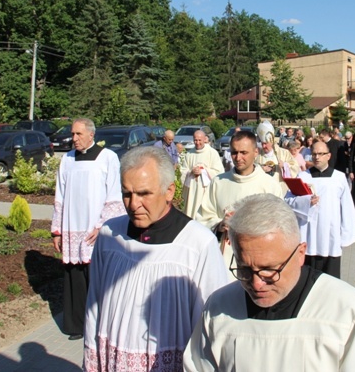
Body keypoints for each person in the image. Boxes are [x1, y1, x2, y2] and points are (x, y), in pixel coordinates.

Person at [183, 194, 355, 372]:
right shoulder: (219, 307)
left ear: (300, 254)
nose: (257, 284)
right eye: (245, 270)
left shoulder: (347, 310)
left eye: (269, 270)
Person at [83, 147, 228, 371]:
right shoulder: (109, 234)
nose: (133, 204)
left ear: (169, 191)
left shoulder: (198, 243)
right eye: (127, 193)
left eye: (144, 194)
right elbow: (94, 303)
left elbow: (211, 321)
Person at [51, 118, 126, 340]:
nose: (73, 138)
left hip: (97, 229)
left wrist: (102, 225)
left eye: (78, 134)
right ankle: (76, 325)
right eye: (72, 134)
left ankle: (101, 325)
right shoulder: (67, 159)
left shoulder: (108, 158)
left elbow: (114, 195)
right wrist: (57, 230)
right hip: (72, 227)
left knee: (98, 280)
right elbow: (60, 196)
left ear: (91, 135)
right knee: (74, 278)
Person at [196, 131, 282, 276]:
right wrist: (219, 225)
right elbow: (203, 217)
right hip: (223, 257)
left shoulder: (269, 186)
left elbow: (279, 224)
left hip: (258, 259)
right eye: (234, 152)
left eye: (244, 152)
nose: (238, 157)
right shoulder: (218, 182)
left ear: (256, 152)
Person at [285, 141, 355, 278]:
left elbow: (347, 207)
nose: (317, 157)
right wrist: (306, 202)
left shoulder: (339, 177)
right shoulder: (303, 177)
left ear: (329, 156)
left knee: (330, 279)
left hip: (330, 235)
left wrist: (346, 234)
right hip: (308, 235)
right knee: (307, 277)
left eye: (321, 154)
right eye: (314, 154)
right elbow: (288, 201)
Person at [179, 130, 224, 218]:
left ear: (204, 139)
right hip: (193, 191)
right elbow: (183, 171)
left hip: (206, 191)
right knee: (191, 213)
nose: (197, 142)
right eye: (195, 140)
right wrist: (191, 171)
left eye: (200, 140)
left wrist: (203, 171)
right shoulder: (189, 154)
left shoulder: (212, 153)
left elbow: (219, 172)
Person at [255, 120, 299, 196]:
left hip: (280, 191)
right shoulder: (257, 155)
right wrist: (260, 168)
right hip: (262, 192)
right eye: (262, 143)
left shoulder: (284, 153)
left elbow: (296, 167)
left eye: (266, 143)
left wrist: (285, 166)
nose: (263, 146)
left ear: (271, 141)